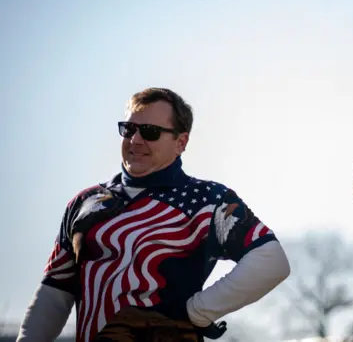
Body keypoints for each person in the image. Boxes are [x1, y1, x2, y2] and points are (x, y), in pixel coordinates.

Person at [18, 88, 291, 342]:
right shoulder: (84, 203)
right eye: (128, 129)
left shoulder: (207, 200)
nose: (135, 140)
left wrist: (197, 312)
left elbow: (271, 261)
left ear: (181, 142)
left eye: (149, 131)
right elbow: (54, 295)